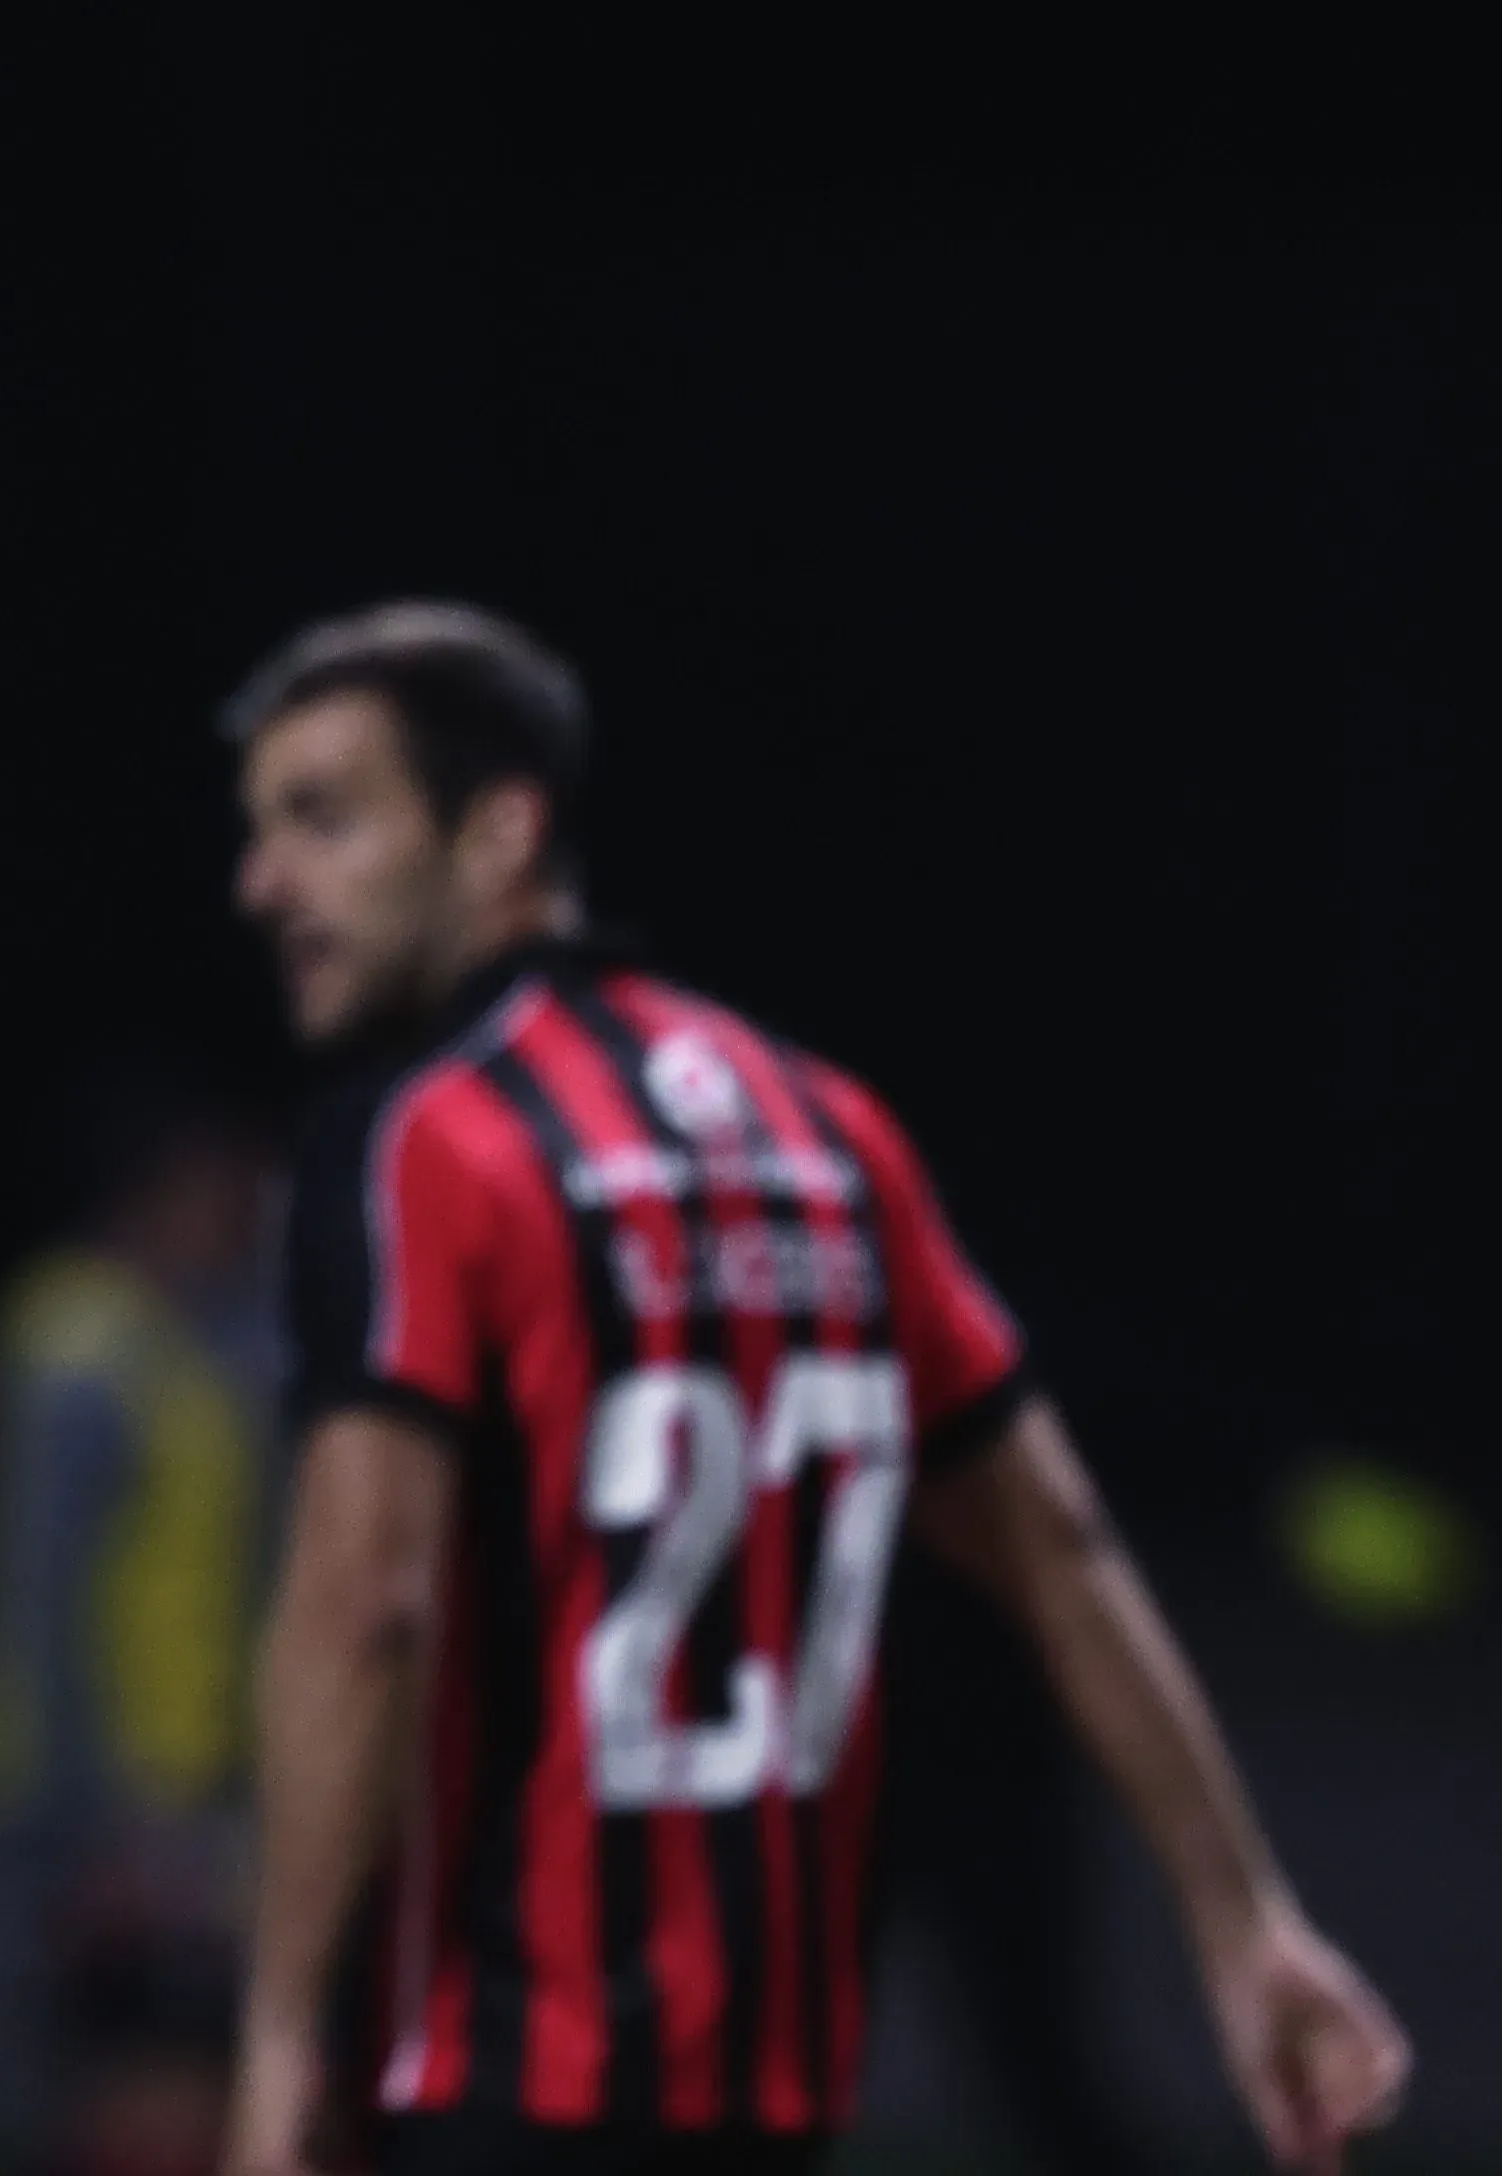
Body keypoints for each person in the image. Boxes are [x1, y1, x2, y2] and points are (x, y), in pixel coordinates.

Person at [217, 603, 1409, 2176]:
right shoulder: (827, 1132)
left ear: (498, 834)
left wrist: (282, 2036)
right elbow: (1055, 1539)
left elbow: (367, 1597)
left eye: (321, 820)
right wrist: (1242, 1920)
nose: (261, 885)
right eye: (259, 832)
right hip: (767, 2093)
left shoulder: (420, 1142)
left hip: (498, 2071)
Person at [0, 1099, 282, 2176]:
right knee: (145, 2083)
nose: (234, 1216)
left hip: (190, 1775)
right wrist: (92, 1831)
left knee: (199, 2075)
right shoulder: (80, 1346)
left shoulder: (188, 1325)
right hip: (118, 1794)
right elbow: (40, 1600)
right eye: (216, 1190)